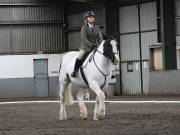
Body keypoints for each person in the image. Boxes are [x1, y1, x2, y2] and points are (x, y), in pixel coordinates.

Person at [71, 11, 103, 77]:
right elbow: (84, 38)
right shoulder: (84, 27)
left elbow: (99, 37)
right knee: (80, 56)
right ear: (86, 19)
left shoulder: (97, 27)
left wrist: (100, 45)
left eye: (92, 17)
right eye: (90, 17)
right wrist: (90, 44)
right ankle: (75, 71)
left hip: (95, 47)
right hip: (85, 47)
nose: (91, 18)